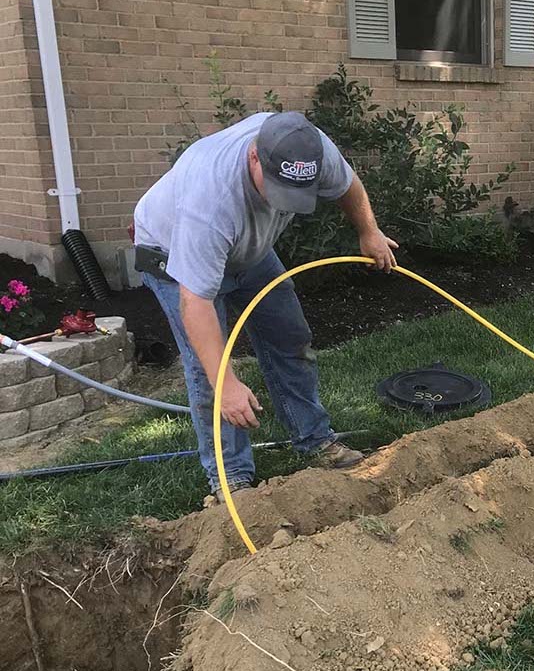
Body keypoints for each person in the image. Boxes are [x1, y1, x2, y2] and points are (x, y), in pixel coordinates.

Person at [133, 111, 398, 500]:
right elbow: (196, 301)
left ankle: (315, 440)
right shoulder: (210, 201)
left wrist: (369, 231)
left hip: (248, 251)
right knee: (210, 371)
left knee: (290, 337)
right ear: (255, 157)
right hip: (174, 258)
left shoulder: (310, 148)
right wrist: (227, 383)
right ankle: (232, 478)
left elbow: (349, 186)